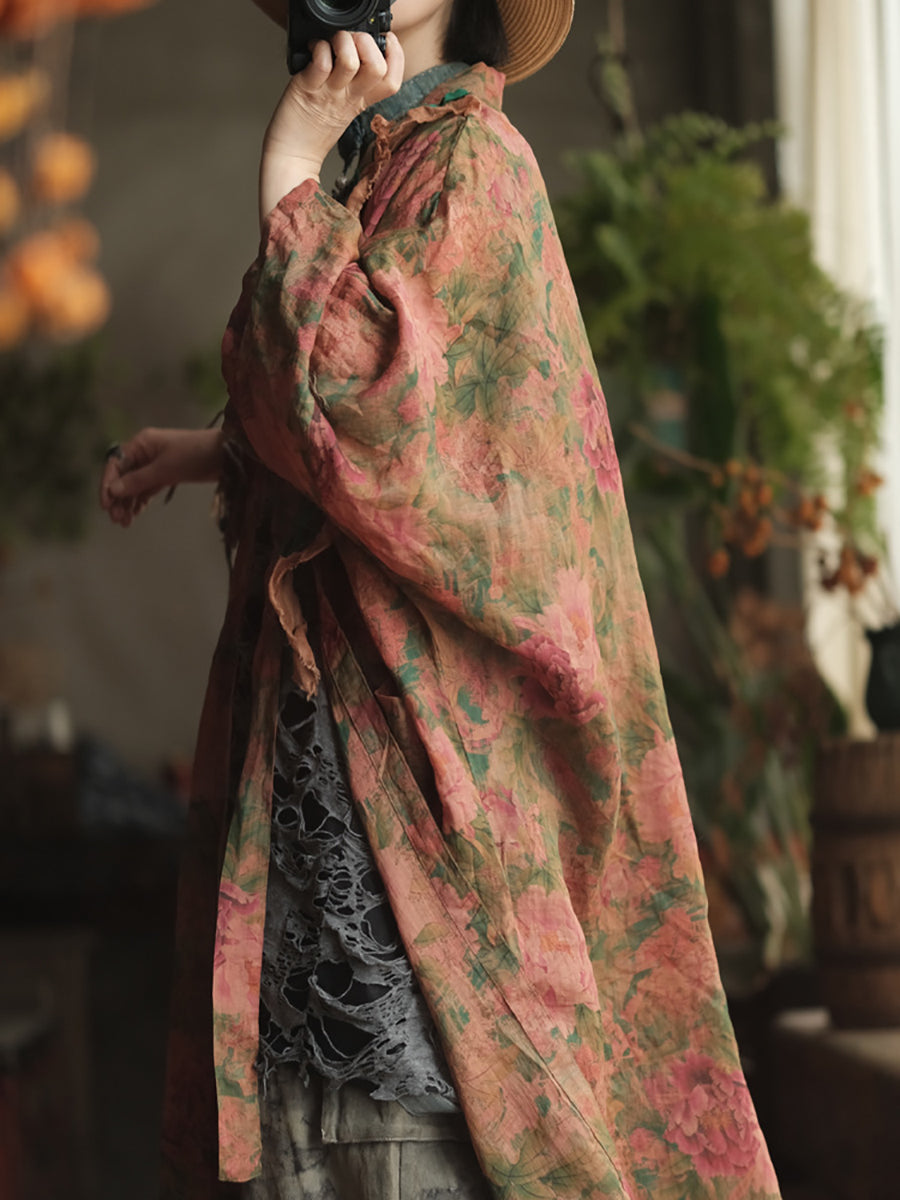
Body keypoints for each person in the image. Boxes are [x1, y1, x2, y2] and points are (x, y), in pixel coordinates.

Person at [100, 2, 784, 1198]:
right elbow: (377, 426)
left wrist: (288, 167)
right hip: (331, 862)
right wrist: (222, 450)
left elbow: (380, 412)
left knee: (396, 1141)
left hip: (415, 882)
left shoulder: (472, 163)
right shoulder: (385, 162)